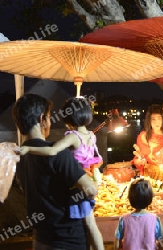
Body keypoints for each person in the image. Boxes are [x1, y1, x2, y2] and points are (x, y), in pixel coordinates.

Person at [14, 94, 104, 250]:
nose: (49, 122)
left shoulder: (19, 157)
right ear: (42, 119)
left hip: (40, 240)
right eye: (49, 117)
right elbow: (90, 190)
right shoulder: (59, 154)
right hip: (68, 241)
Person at [115, 178, 163, 250]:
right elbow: (162, 244)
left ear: (130, 198)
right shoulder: (155, 219)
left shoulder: (124, 219)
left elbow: (117, 245)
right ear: (150, 199)